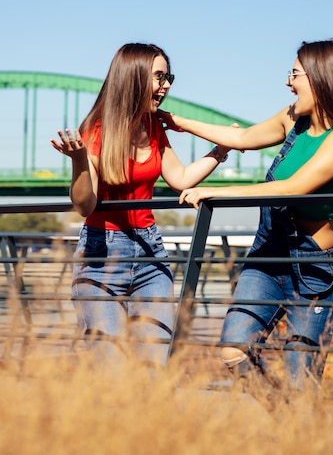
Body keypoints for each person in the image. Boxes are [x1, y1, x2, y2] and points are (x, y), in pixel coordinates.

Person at [159, 38, 333, 406]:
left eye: (294, 74)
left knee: (300, 381)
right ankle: (286, 420)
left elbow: (293, 188)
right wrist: (176, 122)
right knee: (233, 350)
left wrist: (217, 193)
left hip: (311, 265)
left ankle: (301, 433)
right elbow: (241, 137)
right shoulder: (294, 117)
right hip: (268, 250)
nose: (288, 82)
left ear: (321, 77)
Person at [50, 42, 230, 368]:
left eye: (168, 76)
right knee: (111, 371)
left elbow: (181, 178)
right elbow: (85, 204)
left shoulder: (152, 126)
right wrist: (79, 160)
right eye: (159, 76)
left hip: (151, 255)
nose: (167, 85)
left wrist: (219, 151)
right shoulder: (95, 131)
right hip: (101, 256)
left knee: (153, 367)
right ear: (133, 78)